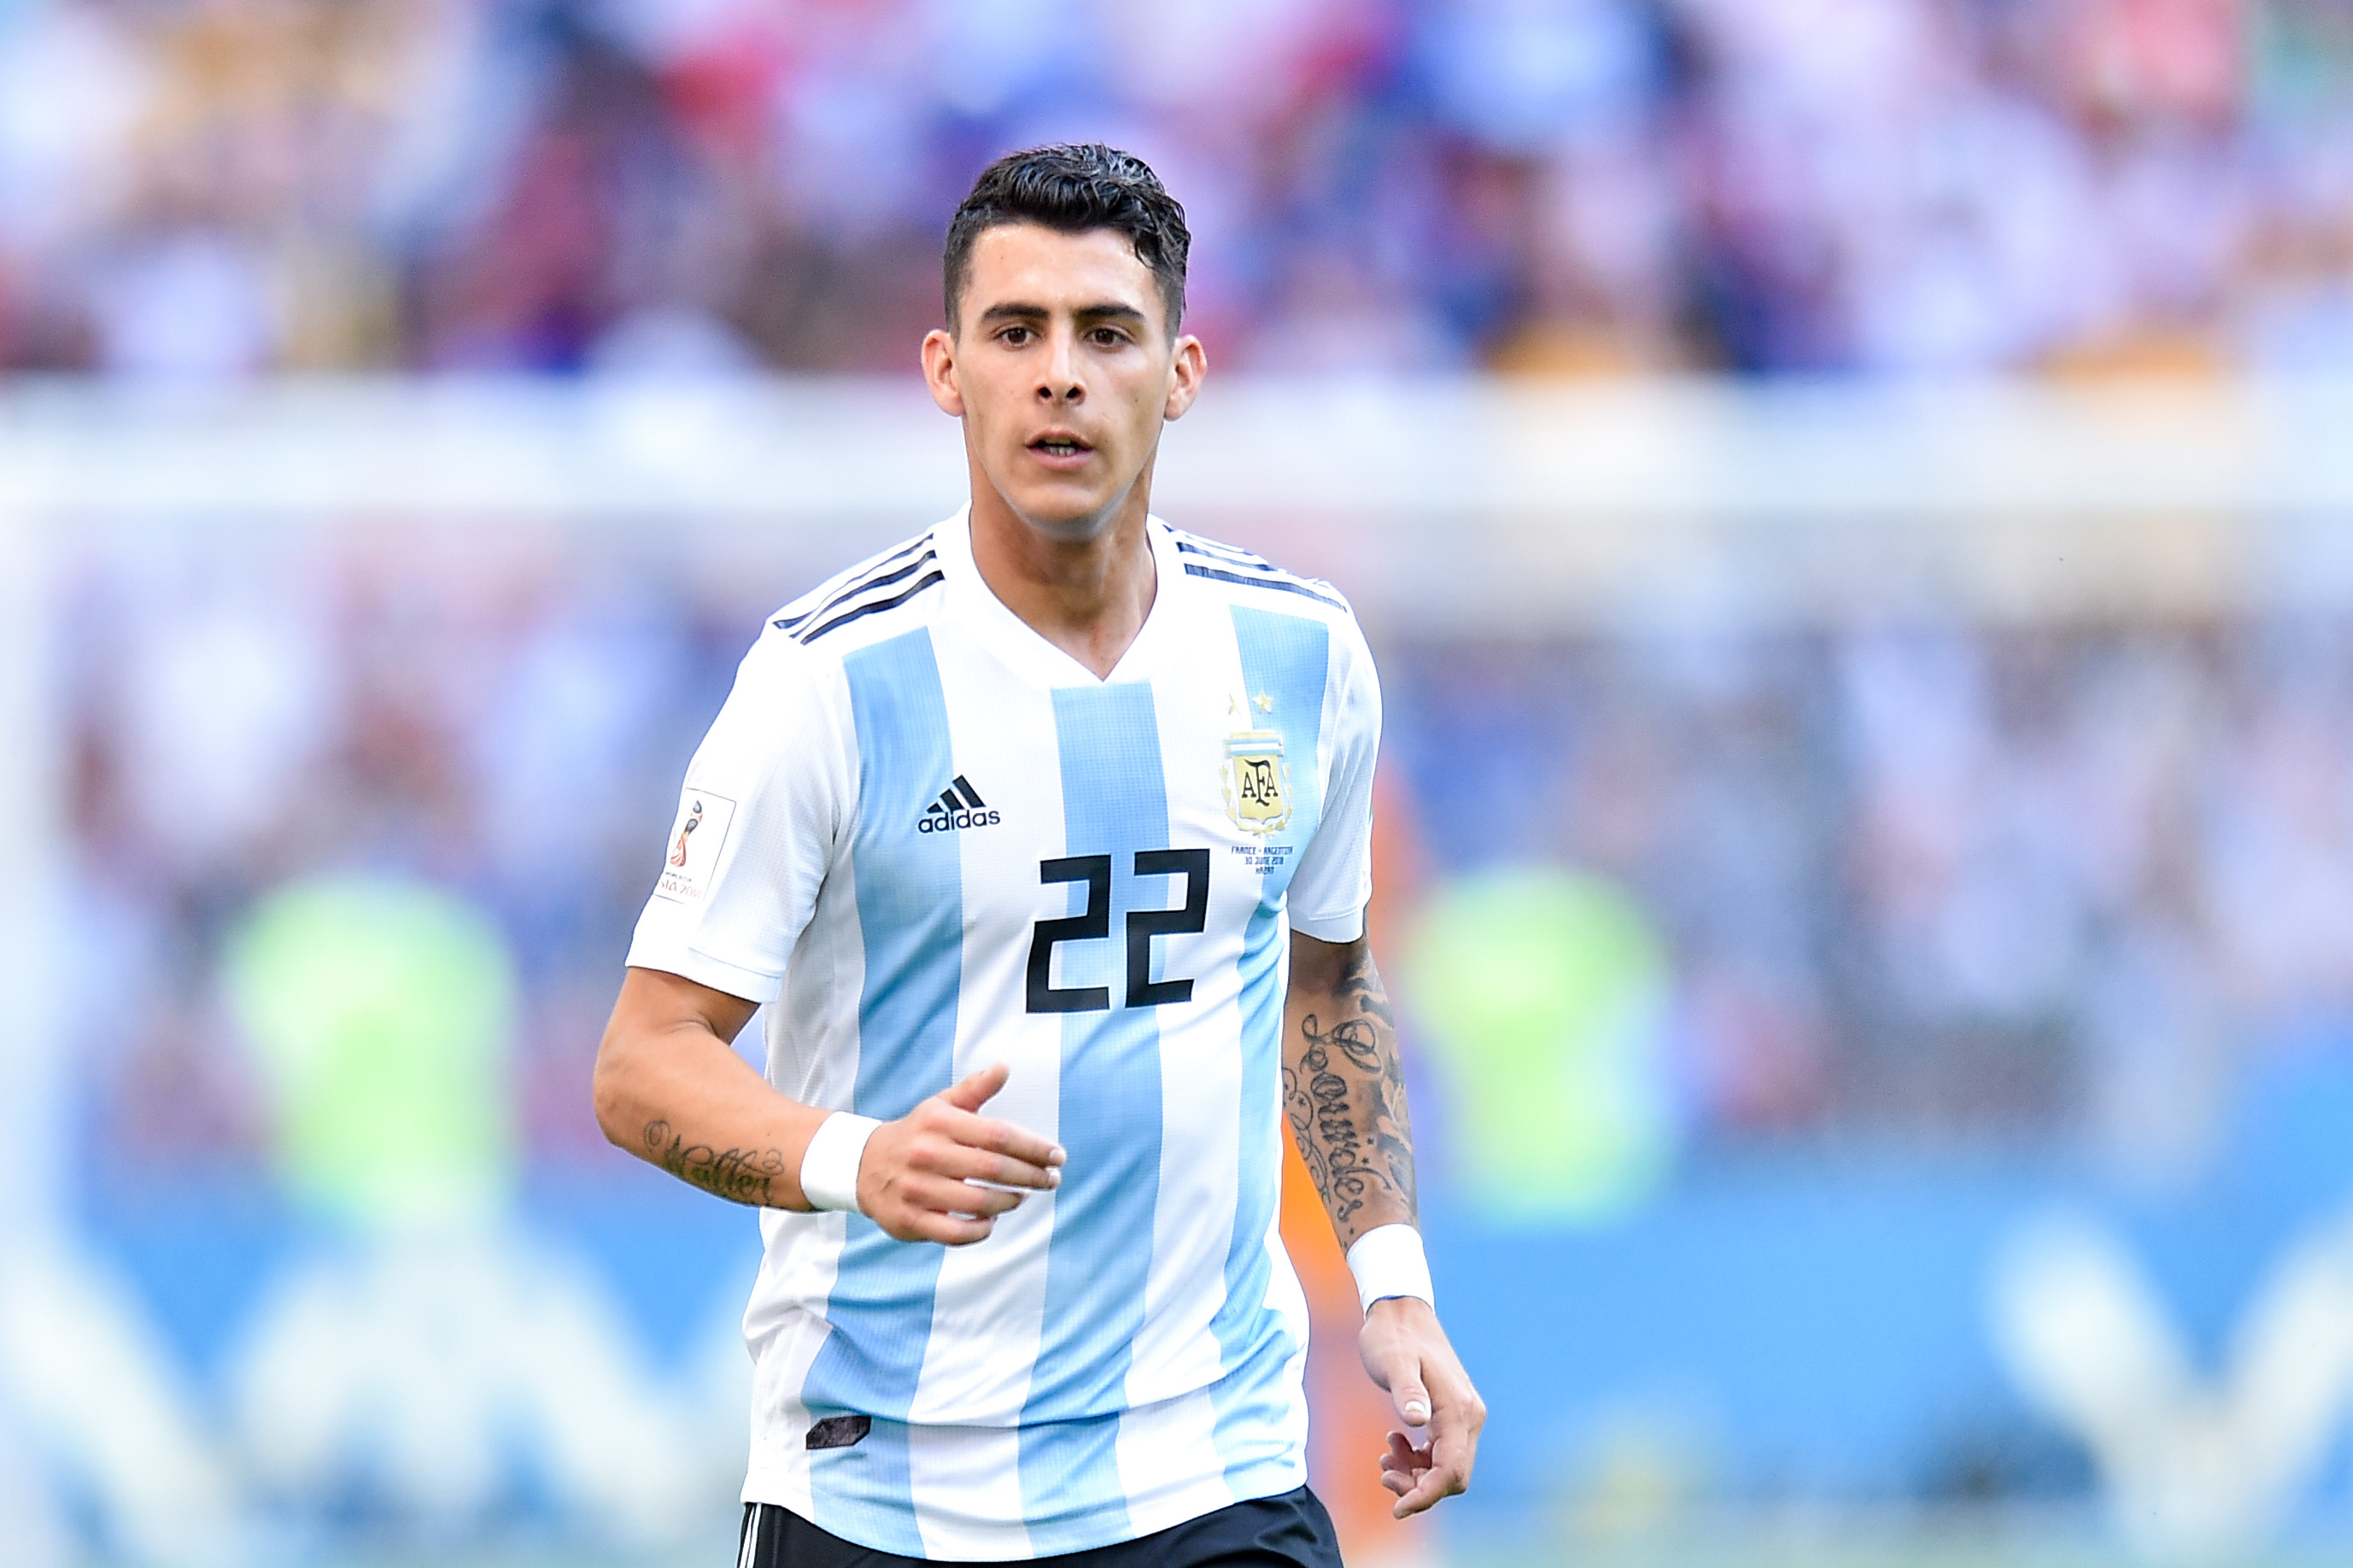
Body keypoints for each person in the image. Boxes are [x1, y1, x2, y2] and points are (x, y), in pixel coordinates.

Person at [591, 142, 1483, 1568]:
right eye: (1017, 333)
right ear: (947, 371)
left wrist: (1392, 1282)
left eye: (1106, 333)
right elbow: (642, 1063)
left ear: (1180, 373)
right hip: (882, 1485)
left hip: (1210, 1469)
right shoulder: (829, 682)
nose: (1060, 375)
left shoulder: (1301, 657)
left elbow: (1328, 986)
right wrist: (854, 1157)